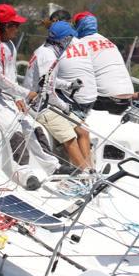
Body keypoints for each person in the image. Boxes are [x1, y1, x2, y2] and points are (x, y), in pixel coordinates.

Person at [0, 4, 58, 184]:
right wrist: (26, 92)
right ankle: (23, 173)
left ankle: (53, 166)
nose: (17, 29)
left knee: (32, 127)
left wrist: (19, 97)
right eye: (15, 25)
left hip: (9, 96)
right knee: (14, 130)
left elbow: (11, 74)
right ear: (4, 26)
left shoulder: (10, 45)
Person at [23, 21, 91, 169]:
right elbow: (47, 91)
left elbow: (50, 81)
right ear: (63, 39)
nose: (72, 42)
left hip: (48, 102)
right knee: (70, 137)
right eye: (70, 38)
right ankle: (86, 174)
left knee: (83, 130)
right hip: (39, 106)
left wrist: (68, 85)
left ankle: (91, 170)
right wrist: (64, 107)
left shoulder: (50, 51)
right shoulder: (48, 56)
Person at [53, 17, 98, 169]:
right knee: (82, 130)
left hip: (75, 99)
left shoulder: (54, 51)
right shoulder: (84, 43)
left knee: (77, 131)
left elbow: (48, 80)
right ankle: (88, 169)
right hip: (91, 97)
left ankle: (85, 169)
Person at [73, 11, 136, 114]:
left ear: (79, 26)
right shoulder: (109, 42)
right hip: (128, 98)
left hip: (106, 101)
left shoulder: (80, 44)